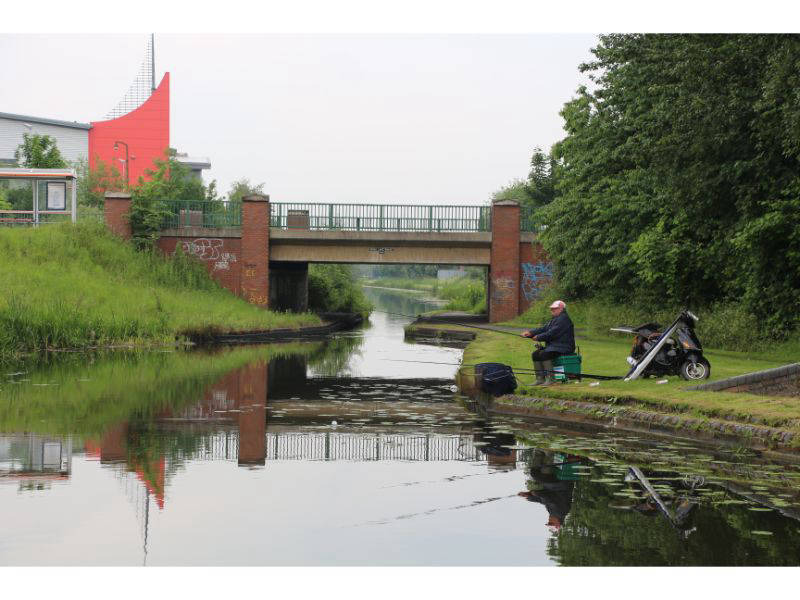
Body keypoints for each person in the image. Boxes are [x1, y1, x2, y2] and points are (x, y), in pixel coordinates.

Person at [520, 300, 575, 386]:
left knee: (544, 354)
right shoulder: (555, 319)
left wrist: (538, 337)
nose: (552, 310)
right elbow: (544, 329)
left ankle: (551, 379)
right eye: (552, 309)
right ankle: (540, 379)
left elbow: (552, 334)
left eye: (555, 308)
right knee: (535, 354)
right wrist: (531, 333)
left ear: (561, 309)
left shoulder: (563, 319)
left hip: (564, 346)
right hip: (556, 345)